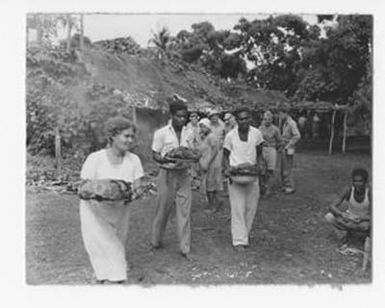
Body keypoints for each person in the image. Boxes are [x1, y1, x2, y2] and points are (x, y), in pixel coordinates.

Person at [79, 116, 144, 284]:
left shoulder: (134, 160)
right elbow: (83, 187)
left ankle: (107, 274)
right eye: (126, 136)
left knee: (117, 241)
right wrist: (101, 192)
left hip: (120, 210)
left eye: (132, 136)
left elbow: (137, 187)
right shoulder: (95, 159)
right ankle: (113, 278)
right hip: (94, 210)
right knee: (101, 243)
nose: (130, 140)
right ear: (113, 136)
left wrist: (135, 193)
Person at [150, 100, 195, 260]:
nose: (182, 119)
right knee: (163, 209)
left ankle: (185, 248)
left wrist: (191, 156)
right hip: (167, 174)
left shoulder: (189, 132)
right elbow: (155, 154)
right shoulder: (162, 133)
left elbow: (191, 152)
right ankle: (156, 241)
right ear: (172, 116)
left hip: (183, 174)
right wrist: (166, 159)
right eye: (179, 116)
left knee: (184, 210)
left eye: (185, 116)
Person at [223, 107, 264, 251]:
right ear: (237, 120)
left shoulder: (257, 134)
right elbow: (225, 155)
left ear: (250, 119)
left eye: (246, 118)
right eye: (241, 119)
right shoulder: (230, 136)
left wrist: (260, 167)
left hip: (252, 175)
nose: (244, 121)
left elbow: (259, 153)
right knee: (238, 208)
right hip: (236, 176)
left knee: (251, 208)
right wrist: (228, 170)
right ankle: (239, 240)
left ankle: (244, 234)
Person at [325, 168, 371, 245]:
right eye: (355, 181)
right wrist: (341, 214)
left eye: (360, 181)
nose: (357, 184)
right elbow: (332, 206)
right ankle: (349, 230)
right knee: (329, 216)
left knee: (366, 226)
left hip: (364, 220)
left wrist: (361, 218)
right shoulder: (348, 190)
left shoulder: (370, 193)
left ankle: (365, 237)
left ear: (365, 182)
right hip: (350, 218)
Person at [197, 118, 223, 213]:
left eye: (203, 126)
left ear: (208, 126)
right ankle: (218, 201)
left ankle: (213, 206)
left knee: (210, 186)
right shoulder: (206, 137)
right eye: (201, 127)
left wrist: (207, 163)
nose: (202, 129)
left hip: (212, 164)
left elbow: (214, 151)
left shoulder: (212, 136)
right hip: (208, 163)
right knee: (211, 184)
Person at [259, 110, 282, 196]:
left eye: (269, 119)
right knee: (261, 170)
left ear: (271, 120)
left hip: (271, 149)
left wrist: (278, 148)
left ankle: (268, 189)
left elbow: (280, 141)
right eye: (265, 119)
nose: (267, 121)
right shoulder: (260, 128)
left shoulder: (275, 129)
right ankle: (262, 186)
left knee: (270, 170)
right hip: (262, 149)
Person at [279, 106, 301, 194]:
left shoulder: (292, 123)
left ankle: (290, 186)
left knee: (288, 167)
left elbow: (297, 136)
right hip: (284, 146)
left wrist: (289, 145)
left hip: (288, 147)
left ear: (285, 113)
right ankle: (285, 184)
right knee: (283, 167)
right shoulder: (285, 123)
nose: (280, 116)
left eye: (281, 114)